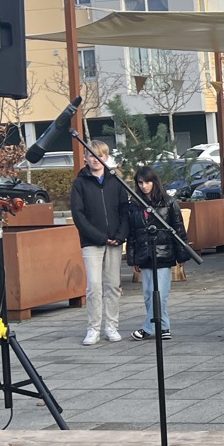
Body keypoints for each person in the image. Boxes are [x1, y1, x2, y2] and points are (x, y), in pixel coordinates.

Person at [71, 141, 130, 346]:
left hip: (114, 241)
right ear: (86, 158)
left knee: (113, 285)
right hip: (92, 242)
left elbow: (124, 210)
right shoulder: (80, 183)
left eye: (100, 156)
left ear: (106, 158)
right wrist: (98, 236)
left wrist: (120, 235)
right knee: (94, 286)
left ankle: (111, 326)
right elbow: (78, 214)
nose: (96, 160)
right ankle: (93, 328)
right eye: (92, 156)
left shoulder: (115, 181)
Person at [124, 165, 188, 341]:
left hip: (164, 253)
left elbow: (179, 229)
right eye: (140, 182)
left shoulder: (169, 202)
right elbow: (132, 234)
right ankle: (164, 327)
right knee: (148, 294)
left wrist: (182, 255)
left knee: (159, 293)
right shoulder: (135, 205)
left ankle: (148, 328)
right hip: (144, 254)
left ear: (155, 181)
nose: (144, 186)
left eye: (148, 182)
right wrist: (133, 258)